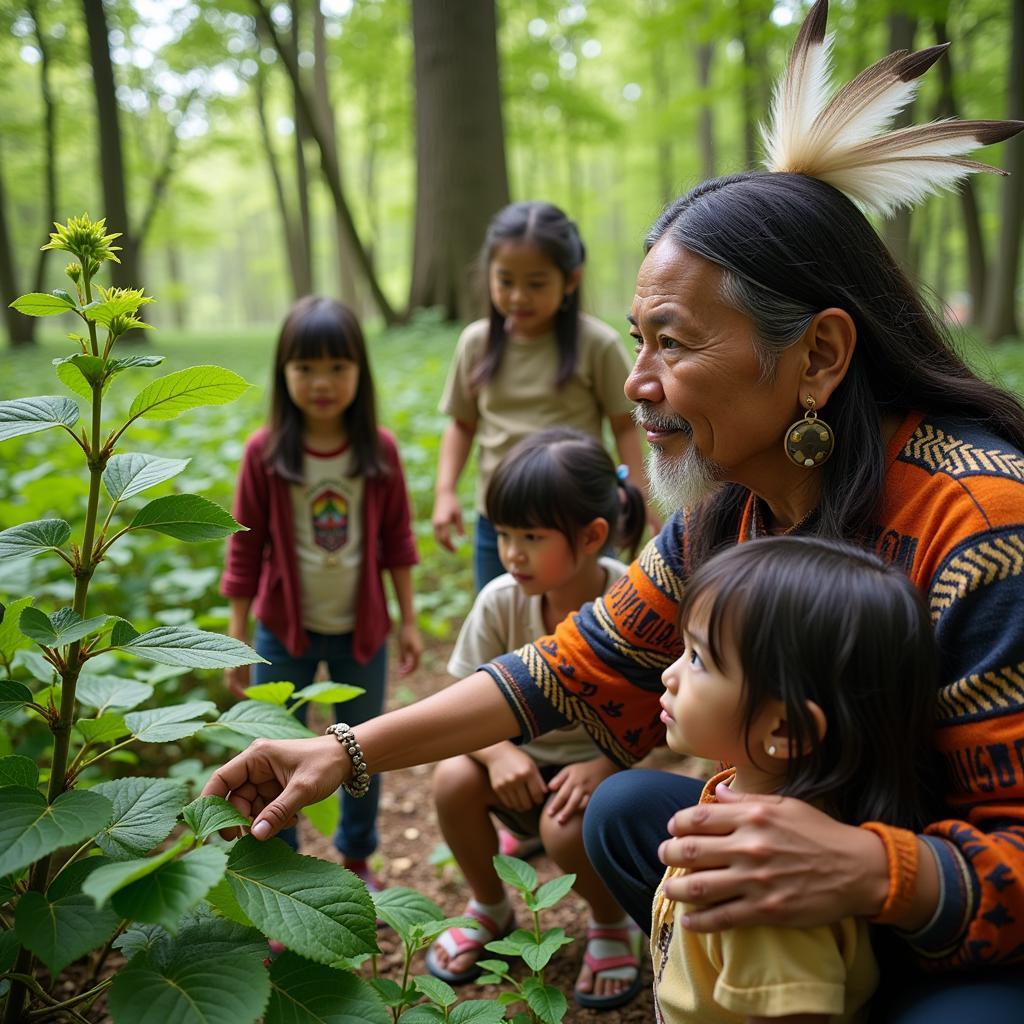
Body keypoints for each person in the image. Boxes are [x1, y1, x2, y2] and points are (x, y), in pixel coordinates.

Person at [202, 3, 1024, 1018]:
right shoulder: (726, 514)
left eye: (672, 343)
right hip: (823, 909)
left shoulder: (979, 524)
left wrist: (872, 870)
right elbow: (570, 666)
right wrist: (342, 749)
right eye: (634, 340)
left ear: (817, 356)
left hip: (955, 936)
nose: (635, 383)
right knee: (629, 810)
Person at [653, 536, 939, 1022]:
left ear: (782, 728)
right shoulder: (754, 822)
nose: (670, 676)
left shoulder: (767, 895)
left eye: (698, 659)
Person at [425, 428, 646, 1010]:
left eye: (530, 536)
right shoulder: (502, 599)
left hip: (600, 778)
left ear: (592, 535)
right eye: (503, 534)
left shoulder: (631, 601)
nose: (512, 552)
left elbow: (664, 714)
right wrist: (498, 753)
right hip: (515, 770)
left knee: (564, 827)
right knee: (452, 778)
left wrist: (605, 765)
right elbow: (460, 693)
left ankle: (609, 921)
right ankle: (491, 908)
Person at [219, 295, 422, 890]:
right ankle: (280, 873)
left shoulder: (377, 451)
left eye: (338, 366)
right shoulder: (265, 454)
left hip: (361, 630)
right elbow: (244, 549)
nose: (322, 382)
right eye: (305, 367)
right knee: (274, 749)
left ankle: (356, 859)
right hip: (283, 630)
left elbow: (397, 542)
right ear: (283, 374)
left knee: (361, 752)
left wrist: (408, 619)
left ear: (360, 371)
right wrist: (236, 636)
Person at [431, 199, 651, 592]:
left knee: (589, 628)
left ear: (570, 280)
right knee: (504, 620)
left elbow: (624, 427)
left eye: (536, 283)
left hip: (577, 521)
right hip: (502, 524)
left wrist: (637, 491)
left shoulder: (594, 344)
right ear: (488, 277)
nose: (518, 296)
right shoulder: (476, 344)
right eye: (505, 281)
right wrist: (445, 491)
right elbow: (462, 426)